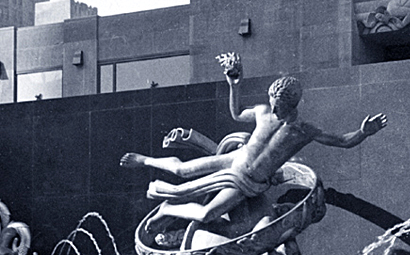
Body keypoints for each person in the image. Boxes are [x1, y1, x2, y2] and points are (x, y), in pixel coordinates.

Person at [120, 52, 387, 234]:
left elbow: (342, 141)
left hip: (247, 182)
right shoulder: (263, 112)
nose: (275, 110)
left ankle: (169, 207)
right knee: (181, 170)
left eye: (279, 107)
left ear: (292, 105)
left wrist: (363, 132)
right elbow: (237, 114)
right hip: (234, 159)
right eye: (273, 104)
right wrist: (234, 84)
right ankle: (146, 160)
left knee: (205, 215)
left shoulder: (303, 131)